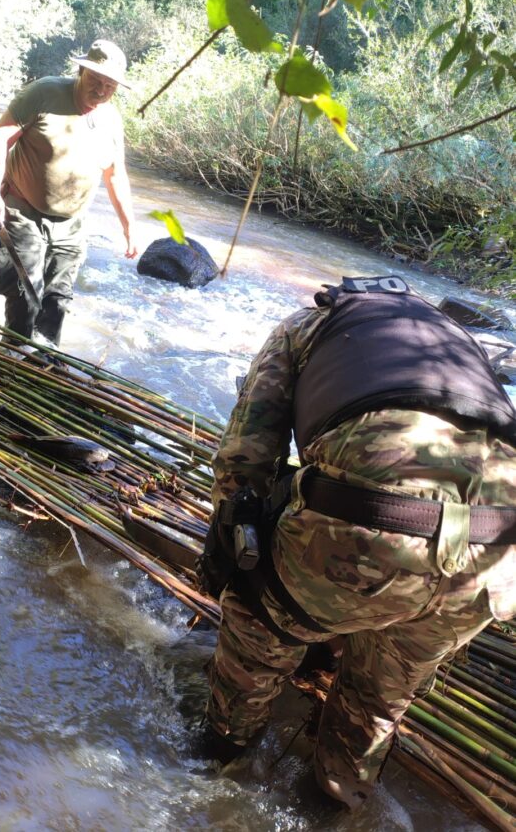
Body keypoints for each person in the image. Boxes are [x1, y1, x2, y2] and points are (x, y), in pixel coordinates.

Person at [199, 274, 516, 809]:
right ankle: (335, 799)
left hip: (379, 528)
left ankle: (219, 760)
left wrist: (231, 550)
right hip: (497, 556)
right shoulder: (457, 343)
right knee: (379, 696)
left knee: (260, 622)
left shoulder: (303, 327)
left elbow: (244, 460)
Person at [0, 39, 137, 348]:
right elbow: (0, 138)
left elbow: (116, 175)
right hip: (23, 209)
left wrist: (129, 226)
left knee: (57, 302)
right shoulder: (43, 94)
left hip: (72, 223)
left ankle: (43, 365)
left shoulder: (110, 119)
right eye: (96, 80)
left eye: (110, 85)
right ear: (81, 71)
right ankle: (11, 361)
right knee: (25, 296)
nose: (102, 91)